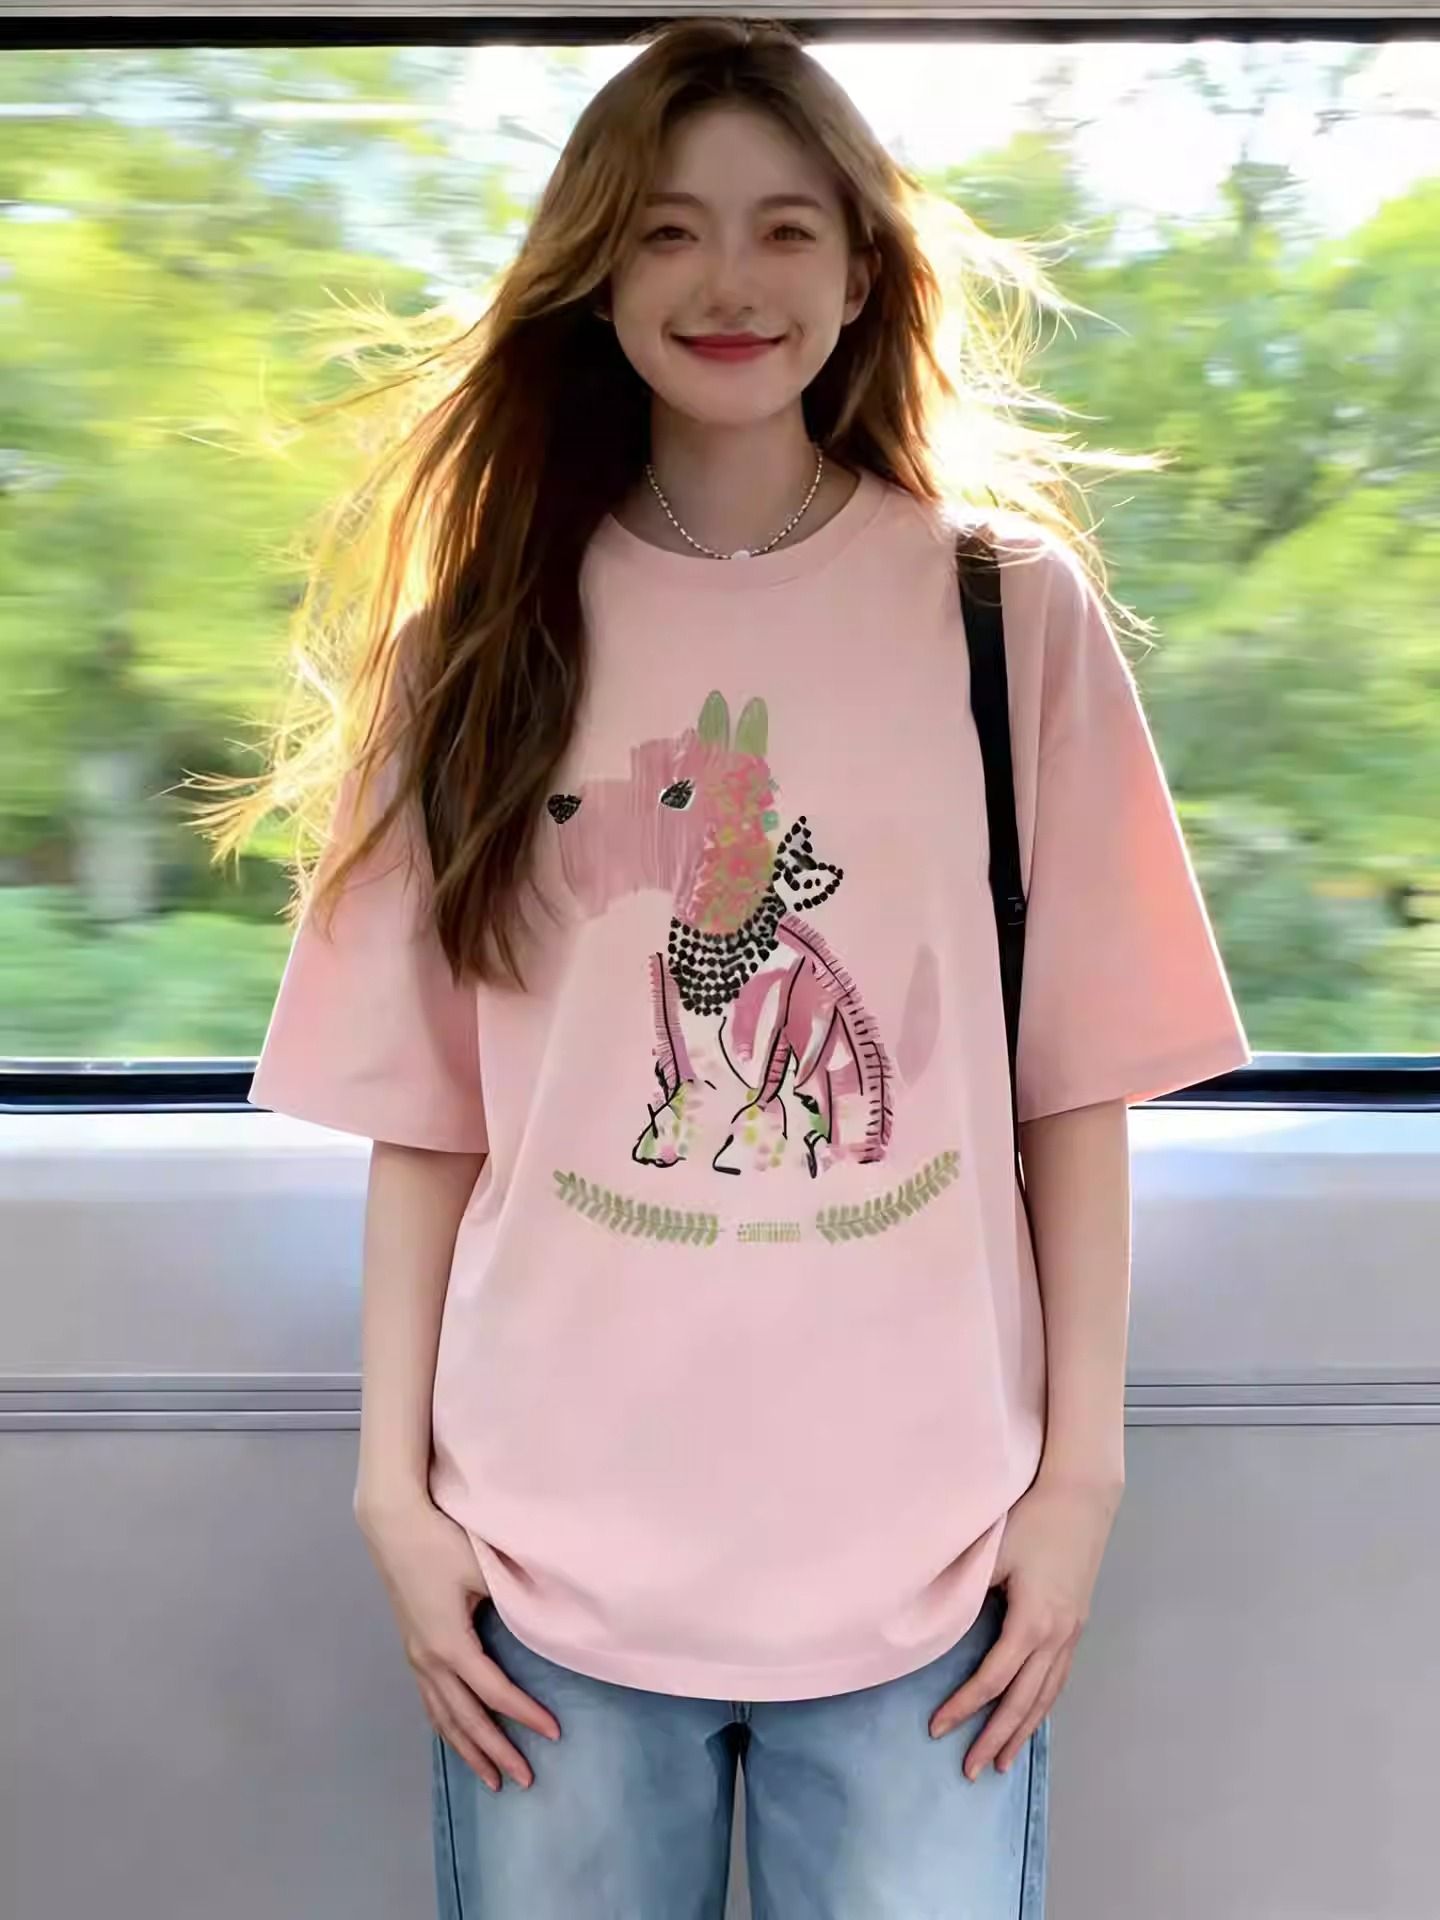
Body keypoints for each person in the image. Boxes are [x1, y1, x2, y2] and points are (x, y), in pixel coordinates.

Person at [234, 17, 1252, 1917]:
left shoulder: (1007, 619)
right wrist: (393, 1492)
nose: (729, 281)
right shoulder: (479, 648)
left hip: (931, 1571)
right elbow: (431, 1123)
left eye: (787, 229)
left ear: (862, 273)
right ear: (595, 268)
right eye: (668, 228)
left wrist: (1077, 1486)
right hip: (542, 1570)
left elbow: (1074, 1088)